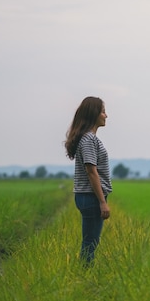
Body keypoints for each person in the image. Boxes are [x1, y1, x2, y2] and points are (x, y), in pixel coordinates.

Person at [64, 96, 112, 266]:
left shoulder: (87, 138)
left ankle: (83, 273)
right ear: (93, 114)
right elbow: (91, 171)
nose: (106, 116)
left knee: (90, 241)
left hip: (87, 196)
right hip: (91, 197)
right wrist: (102, 202)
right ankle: (84, 275)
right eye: (103, 112)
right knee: (90, 243)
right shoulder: (89, 140)